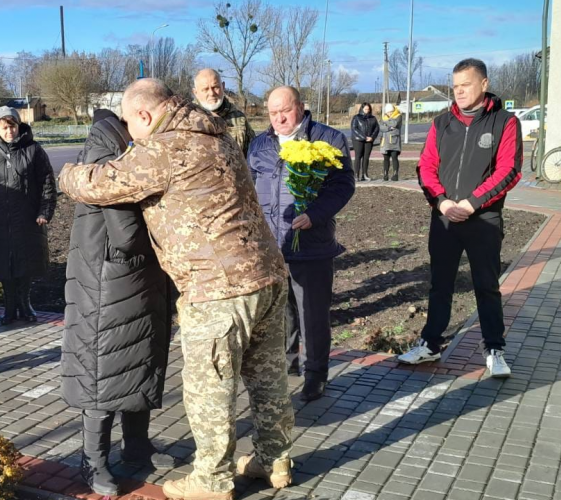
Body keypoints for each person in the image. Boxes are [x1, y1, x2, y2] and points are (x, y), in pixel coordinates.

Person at [60, 79, 294, 500]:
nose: (129, 133)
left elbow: (98, 183)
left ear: (146, 116)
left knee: (210, 390)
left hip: (219, 288)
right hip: (268, 276)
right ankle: (274, 461)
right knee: (267, 379)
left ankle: (212, 481)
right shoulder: (215, 134)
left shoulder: (164, 148)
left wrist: (67, 173)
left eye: (131, 124)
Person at [61, 109, 174, 496]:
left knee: (139, 360)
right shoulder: (105, 152)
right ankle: (92, 461)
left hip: (136, 276)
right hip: (109, 280)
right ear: (135, 115)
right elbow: (125, 233)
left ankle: (137, 446)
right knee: (102, 370)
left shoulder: (129, 147)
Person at [398, 58, 522, 378]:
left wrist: (472, 203)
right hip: (444, 220)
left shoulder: (504, 122)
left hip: (484, 220)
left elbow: (509, 171)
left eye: (465, 85)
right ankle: (430, 344)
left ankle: (494, 349)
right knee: (440, 284)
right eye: (455, 87)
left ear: (483, 83)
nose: (459, 92)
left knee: (487, 286)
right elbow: (426, 167)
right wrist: (441, 202)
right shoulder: (442, 123)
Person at [249, 87, 355, 401]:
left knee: (313, 314)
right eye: (272, 112)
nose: (279, 118)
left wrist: (314, 214)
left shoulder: (328, 139)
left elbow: (343, 186)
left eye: (285, 110)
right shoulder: (259, 145)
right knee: (282, 313)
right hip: (273, 245)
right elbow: (250, 190)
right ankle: (288, 365)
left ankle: (315, 374)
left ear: (301, 106)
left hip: (312, 243)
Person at [0, 107, 56, 324]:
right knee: (4, 264)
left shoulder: (34, 150)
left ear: (19, 125)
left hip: (27, 216)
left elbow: (47, 182)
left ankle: (25, 302)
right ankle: (9, 306)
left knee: (26, 263)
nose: (9, 131)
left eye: (12, 126)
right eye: (4, 127)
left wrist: (45, 211)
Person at [192, 68, 255, 155]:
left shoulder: (239, 119)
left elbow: (253, 155)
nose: (211, 93)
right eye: (205, 89)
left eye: (215, 87)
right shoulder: (186, 120)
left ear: (223, 87)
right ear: (195, 92)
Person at [350, 102, 379, 182]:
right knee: (358, 157)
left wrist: (372, 137)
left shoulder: (373, 118)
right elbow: (354, 128)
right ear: (362, 109)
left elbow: (376, 129)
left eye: (368, 109)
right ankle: (356, 175)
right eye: (365, 109)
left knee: (366, 158)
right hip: (358, 140)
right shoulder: (356, 117)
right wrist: (364, 137)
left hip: (369, 140)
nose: (367, 110)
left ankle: (365, 174)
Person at [379, 103, 402, 181]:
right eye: (388, 112)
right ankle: (385, 175)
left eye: (391, 112)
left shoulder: (398, 116)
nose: (389, 114)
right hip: (385, 141)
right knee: (386, 158)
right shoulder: (383, 117)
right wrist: (389, 128)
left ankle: (395, 174)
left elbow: (394, 124)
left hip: (394, 141)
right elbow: (381, 127)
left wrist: (386, 124)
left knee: (394, 157)